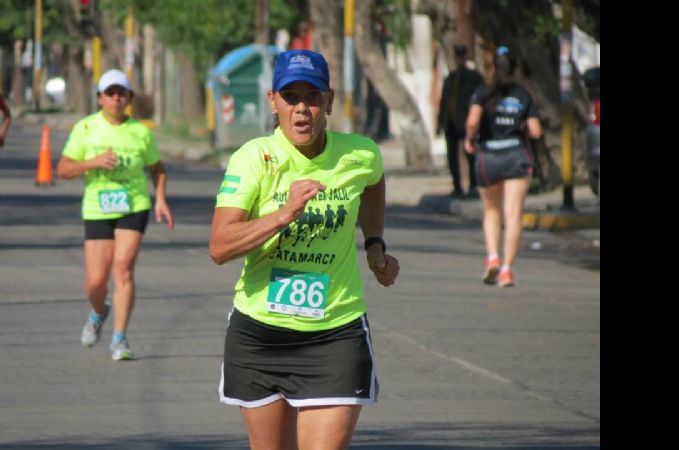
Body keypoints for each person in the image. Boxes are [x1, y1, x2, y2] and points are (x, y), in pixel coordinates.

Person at [209, 49, 400, 450]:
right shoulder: (253, 159)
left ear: (329, 101)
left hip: (335, 334)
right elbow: (220, 246)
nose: (302, 109)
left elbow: (374, 184)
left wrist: (375, 242)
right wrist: (284, 213)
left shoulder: (360, 153)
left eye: (312, 97)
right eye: (290, 97)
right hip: (259, 336)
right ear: (272, 101)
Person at [56, 69, 174, 360]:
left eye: (122, 93)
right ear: (100, 98)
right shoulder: (85, 128)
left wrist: (159, 199)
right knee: (96, 282)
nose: (116, 98)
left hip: (133, 206)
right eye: (110, 93)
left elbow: (157, 169)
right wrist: (93, 161)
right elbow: (63, 169)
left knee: (122, 270)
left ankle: (120, 339)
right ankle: (99, 312)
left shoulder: (141, 132)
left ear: (130, 98)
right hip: (97, 207)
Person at [464, 46, 542, 288]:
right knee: (513, 215)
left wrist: (469, 139)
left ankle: (492, 258)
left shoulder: (483, 92)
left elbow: (473, 121)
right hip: (516, 156)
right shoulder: (522, 95)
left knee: (491, 212)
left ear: (493, 67)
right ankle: (507, 270)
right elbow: (536, 131)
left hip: (489, 157)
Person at [437, 44, 484, 198]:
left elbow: (480, 100)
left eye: (462, 57)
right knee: (452, 157)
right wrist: (440, 123)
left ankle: (473, 185)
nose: (459, 60)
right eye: (457, 57)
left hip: (466, 123)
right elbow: (444, 101)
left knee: (470, 154)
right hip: (451, 123)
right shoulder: (450, 78)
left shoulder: (474, 78)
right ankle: (457, 186)